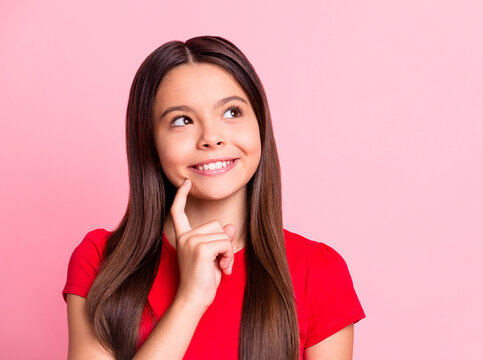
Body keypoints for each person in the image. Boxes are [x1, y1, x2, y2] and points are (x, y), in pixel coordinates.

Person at [63, 36, 365, 360]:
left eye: (232, 112)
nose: (211, 138)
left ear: (260, 124)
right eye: (182, 120)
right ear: (150, 143)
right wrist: (190, 299)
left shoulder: (317, 272)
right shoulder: (101, 262)